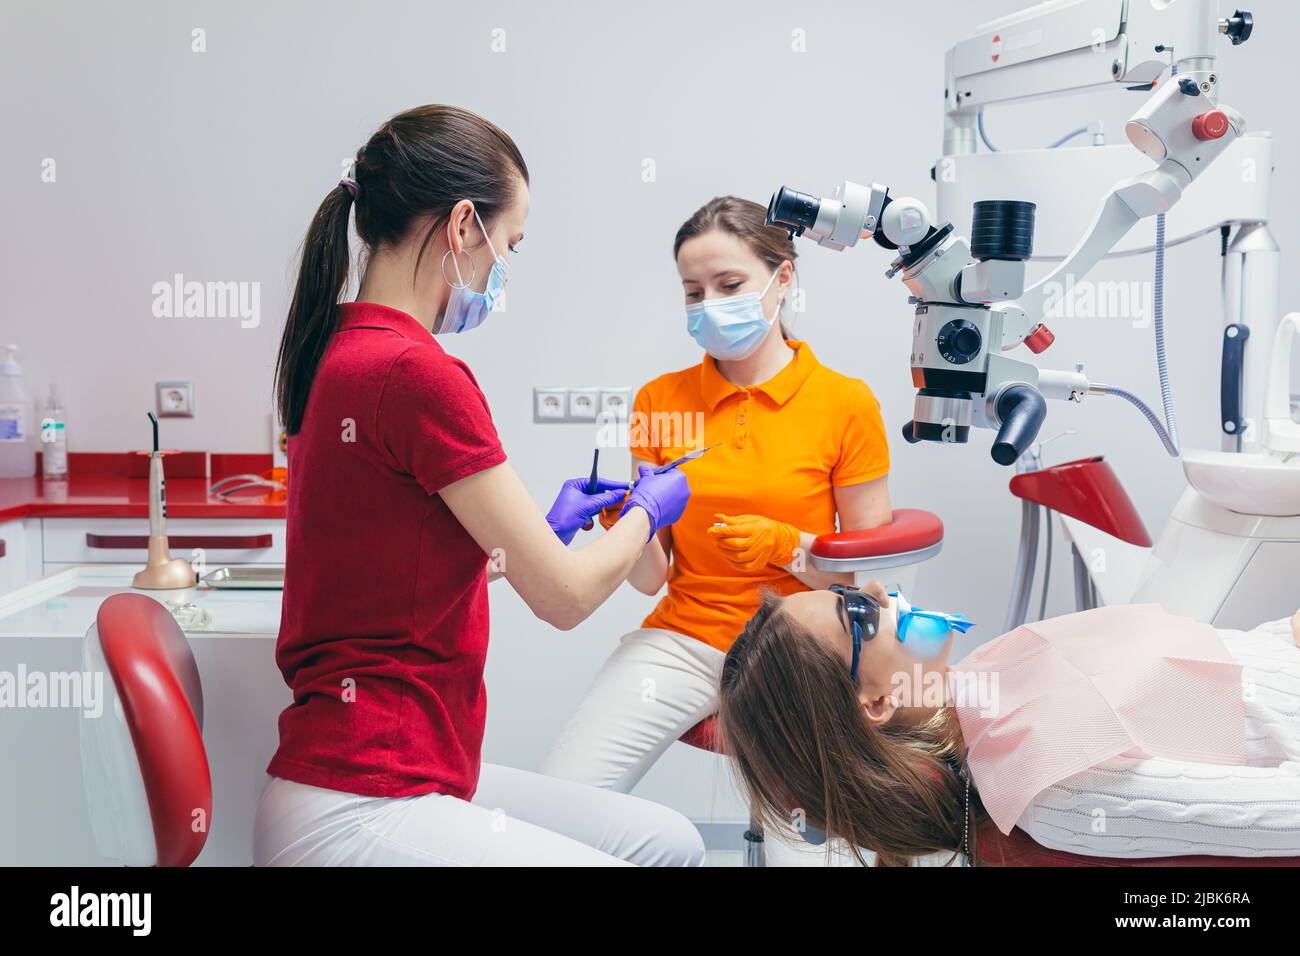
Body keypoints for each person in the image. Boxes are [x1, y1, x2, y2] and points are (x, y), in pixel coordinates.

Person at [254, 105, 702, 867]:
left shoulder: (342, 346)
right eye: (508, 246)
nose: (500, 274)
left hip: (381, 774)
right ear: (464, 225)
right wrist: (648, 513)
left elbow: (394, 562)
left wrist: (541, 536)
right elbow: (564, 600)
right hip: (366, 797)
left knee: (670, 841)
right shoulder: (418, 372)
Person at [540, 196, 892, 794]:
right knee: (564, 795)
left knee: (808, 853)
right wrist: (623, 517)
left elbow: (868, 583)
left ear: (783, 278)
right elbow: (651, 578)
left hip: (800, 646)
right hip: (685, 638)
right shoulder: (661, 401)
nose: (709, 305)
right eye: (693, 292)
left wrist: (788, 546)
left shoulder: (844, 403)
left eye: (729, 284)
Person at [718, 580, 1300, 865]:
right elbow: (1282, 817)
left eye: (848, 589)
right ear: (873, 703)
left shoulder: (984, 683)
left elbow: (1230, 657)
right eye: (859, 614)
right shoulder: (1054, 790)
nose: (875, 588)